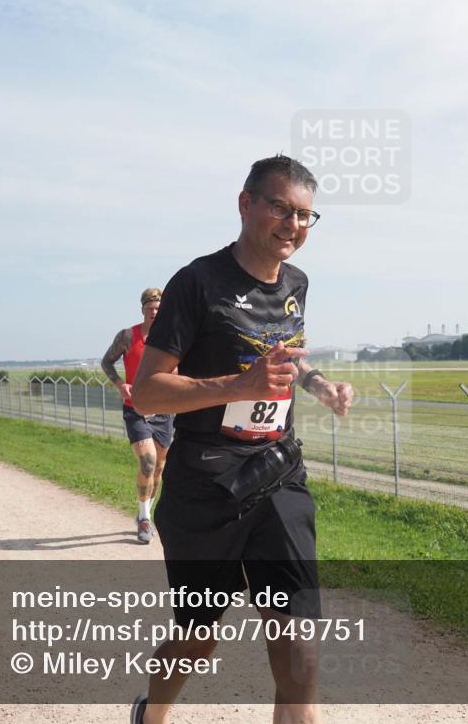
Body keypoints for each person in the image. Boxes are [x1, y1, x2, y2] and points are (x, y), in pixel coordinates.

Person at [130, 155, 354, 724]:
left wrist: (321, 385)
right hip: (206, 489)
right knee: (198, 640)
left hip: (278, 474)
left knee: (299, 643)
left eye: (305, 214)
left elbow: (288, 360)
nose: (293, 224)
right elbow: (149, 392)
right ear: (245, 203)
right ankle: (150, 715)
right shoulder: (197, 282)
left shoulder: (297, 284)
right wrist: (242, 383)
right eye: (280, 207)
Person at [101, 288, 174, 544]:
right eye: (150, 307)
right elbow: (106, 362)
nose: (154, 312)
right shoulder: (127, 336)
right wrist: (120, 384)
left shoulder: (172, 336)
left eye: (158, 307)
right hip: (136, 407)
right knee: (148, 462)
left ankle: (146, 512)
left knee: (159, 470)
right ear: (142, 309)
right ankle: (144, 519)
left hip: (165, 410)